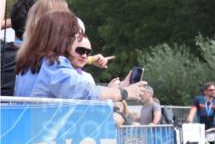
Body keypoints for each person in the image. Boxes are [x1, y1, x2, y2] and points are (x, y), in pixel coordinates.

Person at [13, 10, 144, 102]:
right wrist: (125, 93)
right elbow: (86, 93)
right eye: (75, 35)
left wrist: (116, 90)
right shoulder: (54, 63)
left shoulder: (37, 60)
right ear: (62, 37)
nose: (77, 38)